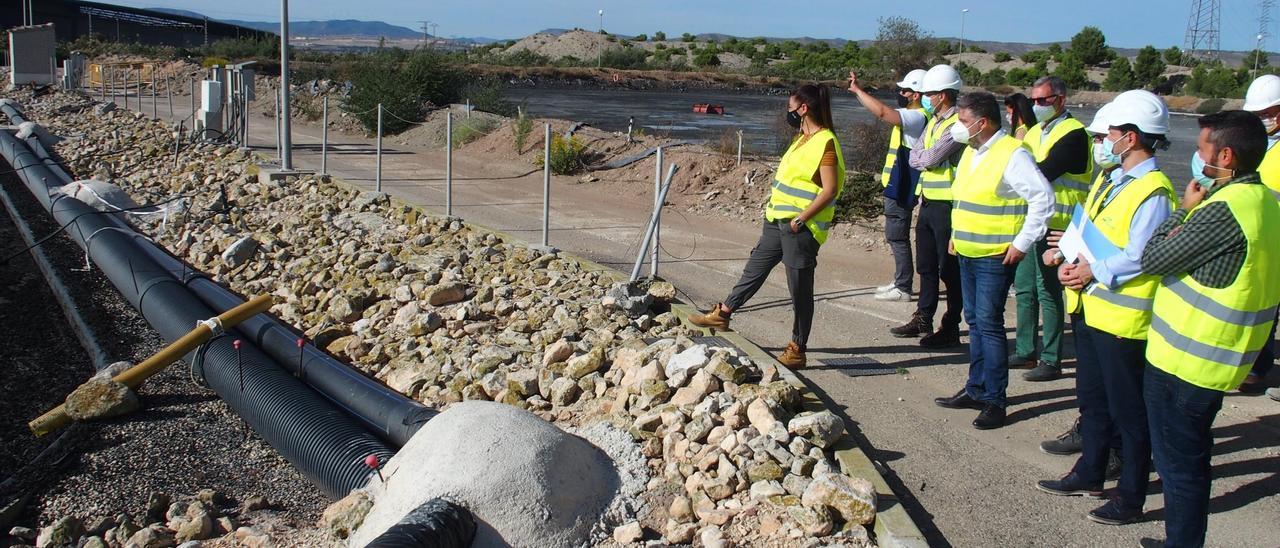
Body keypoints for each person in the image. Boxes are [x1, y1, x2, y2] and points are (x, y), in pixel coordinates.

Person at [1138, 110, 1280, 548]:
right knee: (1188, 459)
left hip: (1187, 361)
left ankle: (1182, 543)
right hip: (1218, 358)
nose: (1195, 157)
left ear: (1226, 154)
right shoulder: (1267, 202)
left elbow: (1153, 259)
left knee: (1181, 466)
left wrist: (1182, 212)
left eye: (1200, 149)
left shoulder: (1222, 210)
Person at [1036, 91, 1176, 526]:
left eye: (1106, 135)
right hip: (1093, 308)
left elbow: (1140, 254)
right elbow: (1093, 230)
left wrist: (1092, 270)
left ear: (1129, 137)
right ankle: (1090, 470)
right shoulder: (1113, 180)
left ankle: (1130, 494)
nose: (1100, 141)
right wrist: (1066, 252)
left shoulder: (1153, 191)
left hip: (1122, 318)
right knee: (1092, 401)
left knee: (1129, 413)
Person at [687, 84, 846, 369]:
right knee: (754, 269)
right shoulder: (801, 139)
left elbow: (830, 189)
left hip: (800, 228)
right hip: (776, 222)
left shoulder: (826, 142)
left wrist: (801, 219)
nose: (788, 112)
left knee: (799, 289)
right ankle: (724, 312)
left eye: (790, 108)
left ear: (803, 109)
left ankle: (797, 348)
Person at [932, 91, 1054, 429]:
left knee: (989, 324)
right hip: (968, 252)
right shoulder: (972, 152)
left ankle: (995, 399)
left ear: (982, 123)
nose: (958, 127)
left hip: (995, 256)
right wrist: (957, 234)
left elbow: (1043, 199)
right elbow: (968, 198)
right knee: (975, 322)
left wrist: (1022, 242)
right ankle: (976, 388)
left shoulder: (1012, 154)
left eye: (963, 121)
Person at [1017, 76, 1094, 382]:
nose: (1037, 106)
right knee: (1025, 288)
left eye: (1043, 101)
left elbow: (1042, 171)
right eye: (1034, 100)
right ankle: (1025, 350)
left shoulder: (1074, 133)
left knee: (1049, 291)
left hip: (1058, 225)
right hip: (1031, 221)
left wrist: (1020, 172)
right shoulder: (1036, 130)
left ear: (1060, 100)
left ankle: (1051, 358)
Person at [889, 64, 966, 348]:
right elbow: (916, 156)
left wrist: (924, 157)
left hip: (948, 205)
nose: (925, 97)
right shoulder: (934, 121)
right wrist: (924, 157)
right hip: (929, 202)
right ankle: (923, 317)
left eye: (930, 93)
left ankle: (951, 326)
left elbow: (930, 158)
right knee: (926, 266)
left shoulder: (957, 126)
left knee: (949, 269)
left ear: (944, 95)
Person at [847, 68, 929, 303]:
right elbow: (885, 110)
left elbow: (883, 112)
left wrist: (857, 90)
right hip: (897, 183)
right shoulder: (913, 114)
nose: (900, 93)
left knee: (897, 236)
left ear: (916, 94)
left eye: (905, 90)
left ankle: (903, 286)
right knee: (896, 235)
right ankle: (900, 280)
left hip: (903, 185)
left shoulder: (917, 117)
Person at [1239, 74, 1280, 393]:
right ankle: (1255, 364)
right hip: (1260, 237)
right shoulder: (1262, 146)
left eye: (1267, 114)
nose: (1263, 121)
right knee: (1262, 304)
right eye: (1258, 116)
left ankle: (1259, 368)